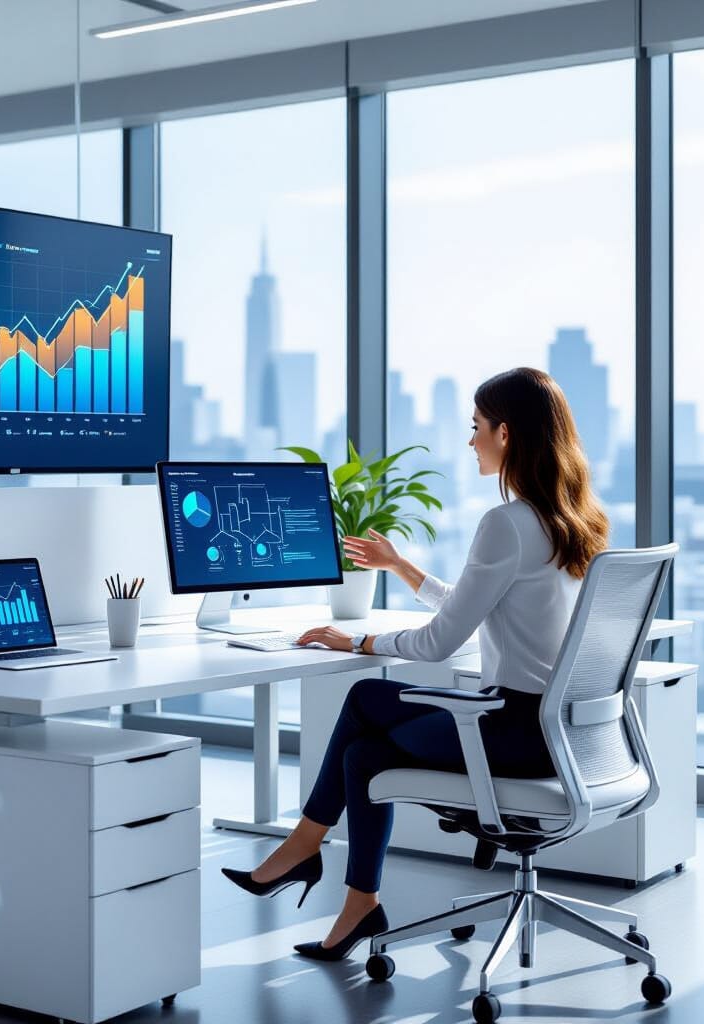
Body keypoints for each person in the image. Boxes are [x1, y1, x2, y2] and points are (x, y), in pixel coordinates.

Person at [222, 367, 610, 960]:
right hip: (565, 733)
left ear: (505, 433)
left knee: (364, 698)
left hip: (515, 730)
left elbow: (438, 645)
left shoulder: (505, 523)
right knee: (364, 754)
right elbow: (480, 604)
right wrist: (402, 568)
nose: (470, 440)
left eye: (476, 427)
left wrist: (355, 643)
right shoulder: (570, 519)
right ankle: (359, 909)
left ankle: (302, 847)